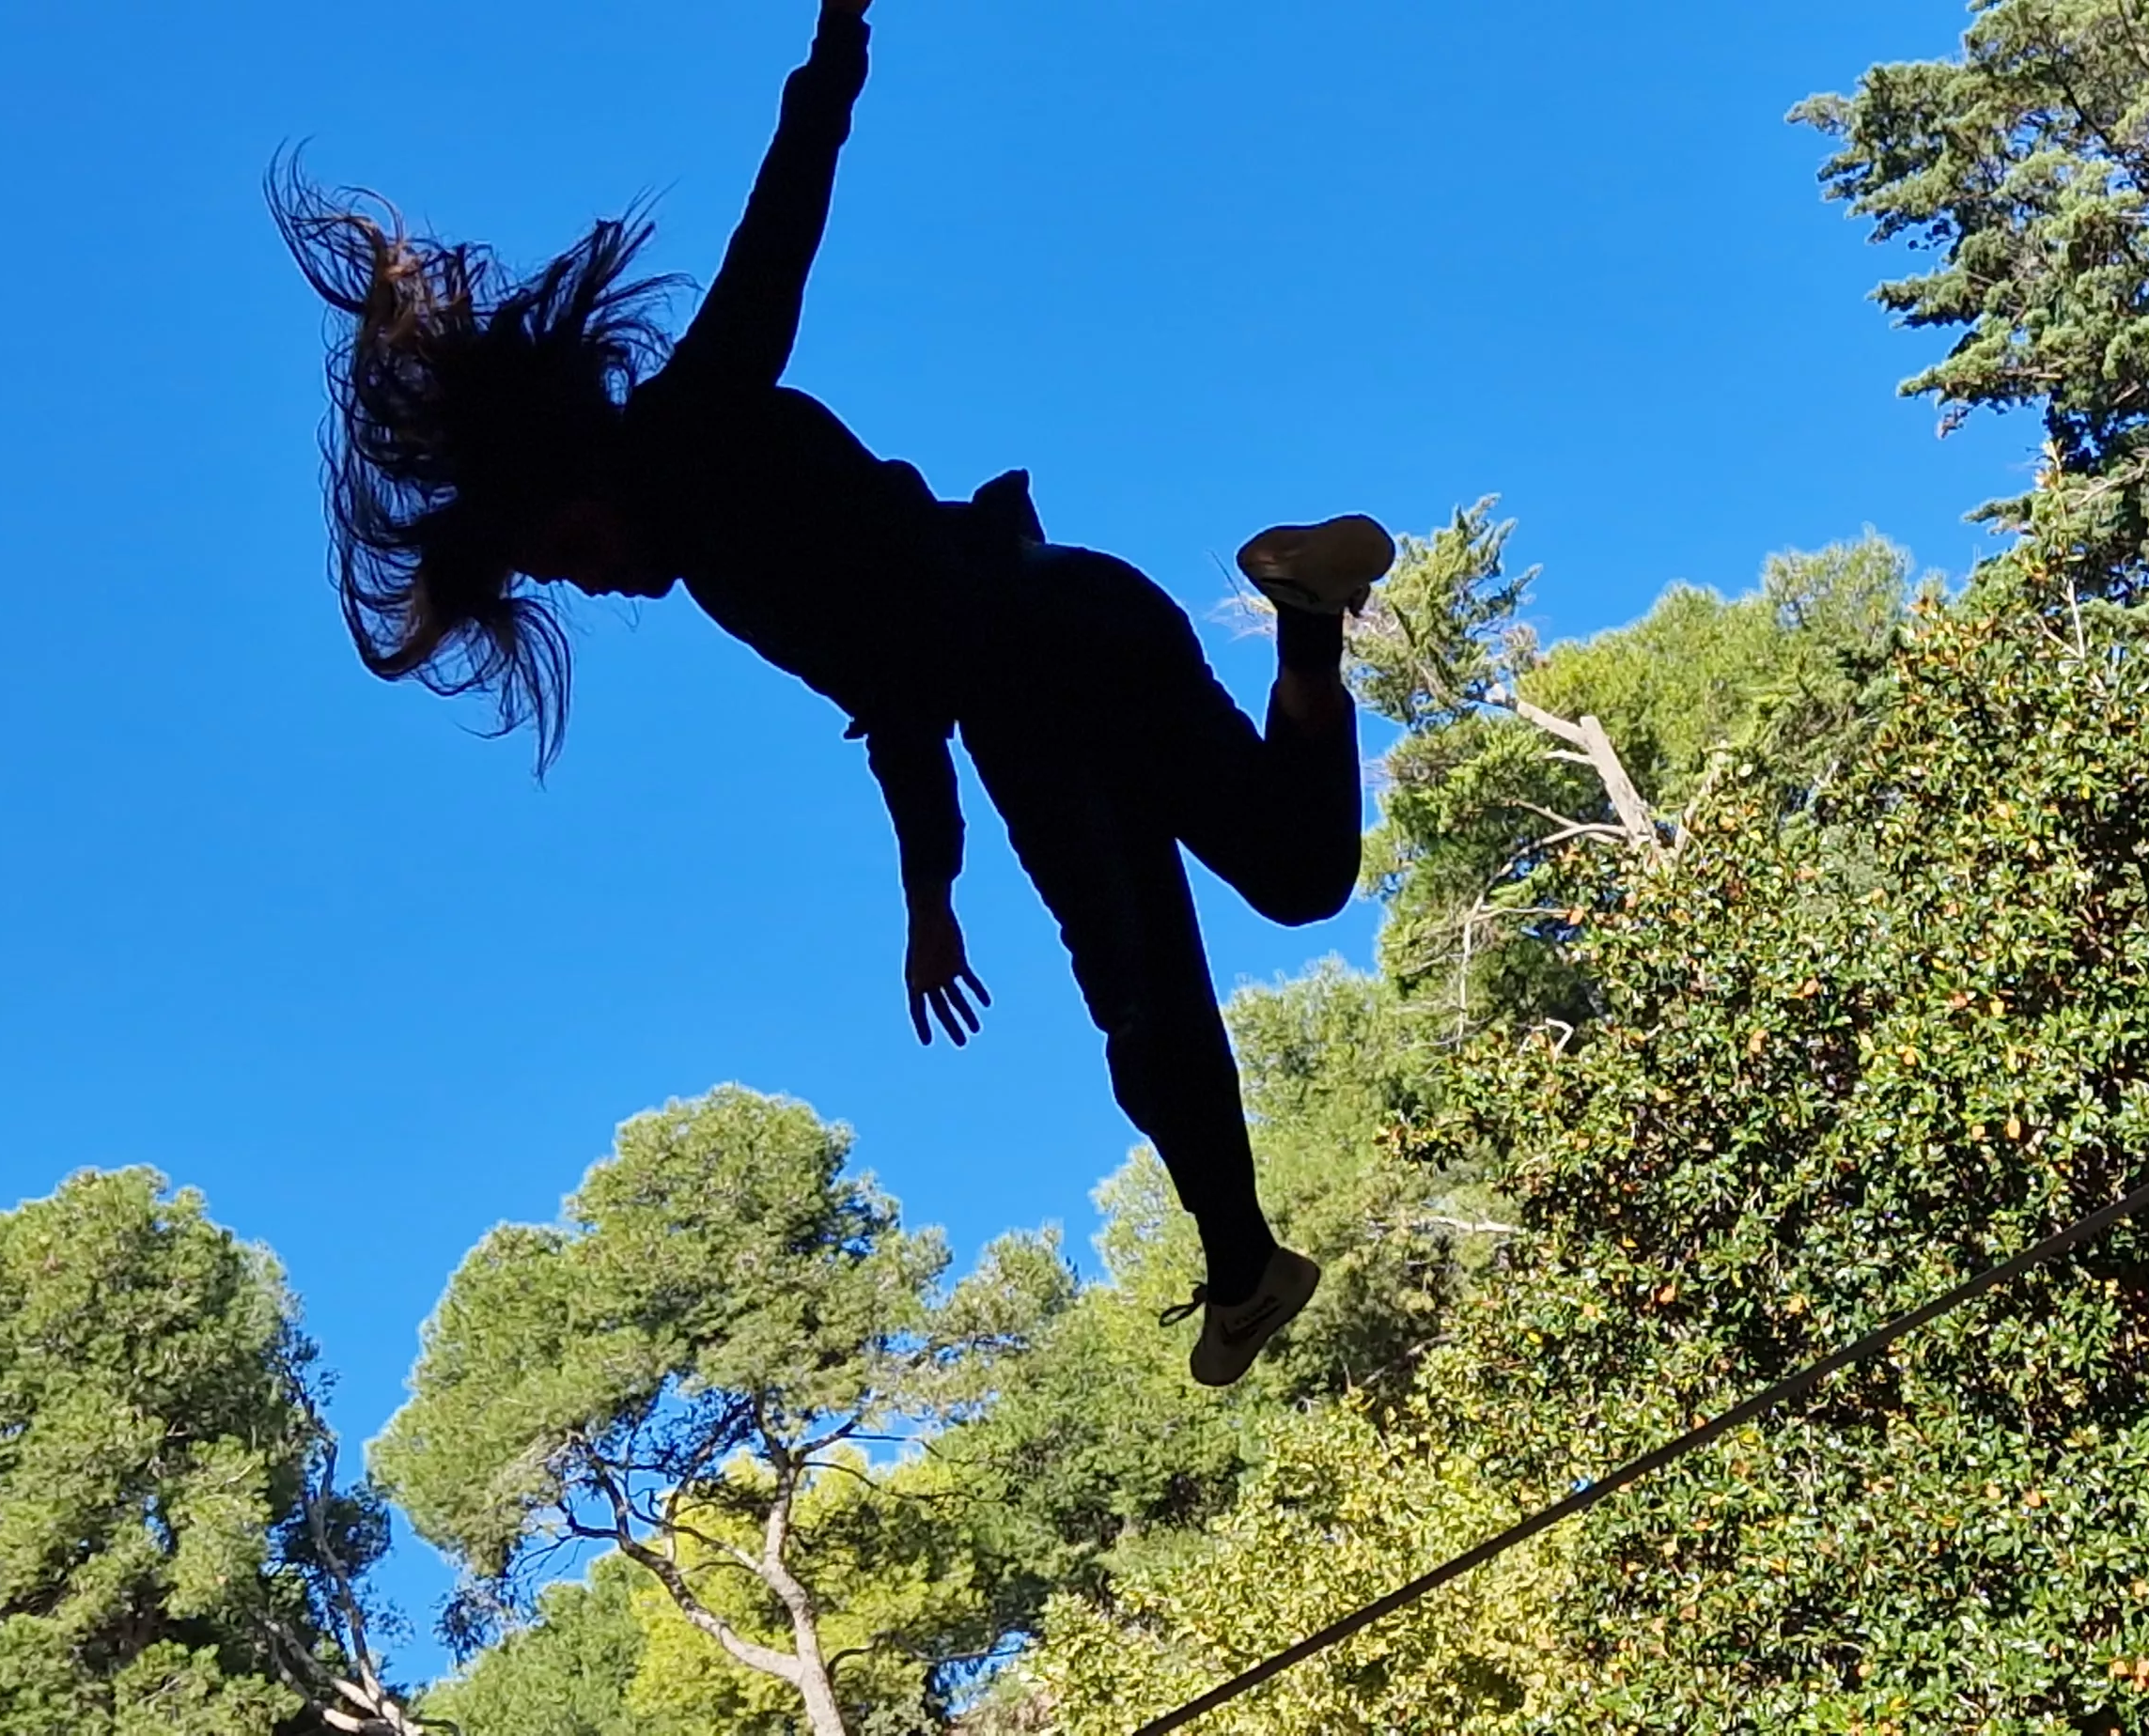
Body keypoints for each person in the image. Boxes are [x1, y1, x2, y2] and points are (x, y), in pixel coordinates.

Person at [274, 0, 1387, 1386]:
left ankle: (1242, 1269)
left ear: (588, 479)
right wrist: (930, 892)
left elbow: (776, 235)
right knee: (1298, 875)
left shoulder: (696, 429)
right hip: (1087, 607)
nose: (597, 585)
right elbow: (899, 705)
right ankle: (1303, 617)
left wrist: (836, 48)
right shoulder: (726, 544)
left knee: (1146, 1000)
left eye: (572, 552)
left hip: (1029, 688)